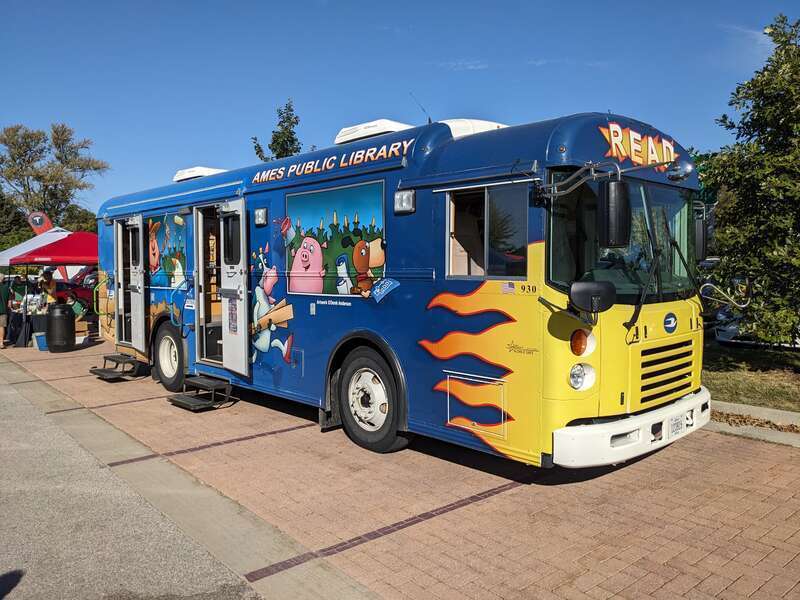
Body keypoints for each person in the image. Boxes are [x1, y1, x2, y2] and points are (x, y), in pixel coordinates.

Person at [0, 274, 10, 349]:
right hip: (3, 310)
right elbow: (10, 300)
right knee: (2, 326)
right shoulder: (7, 288)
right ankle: (1, 343)